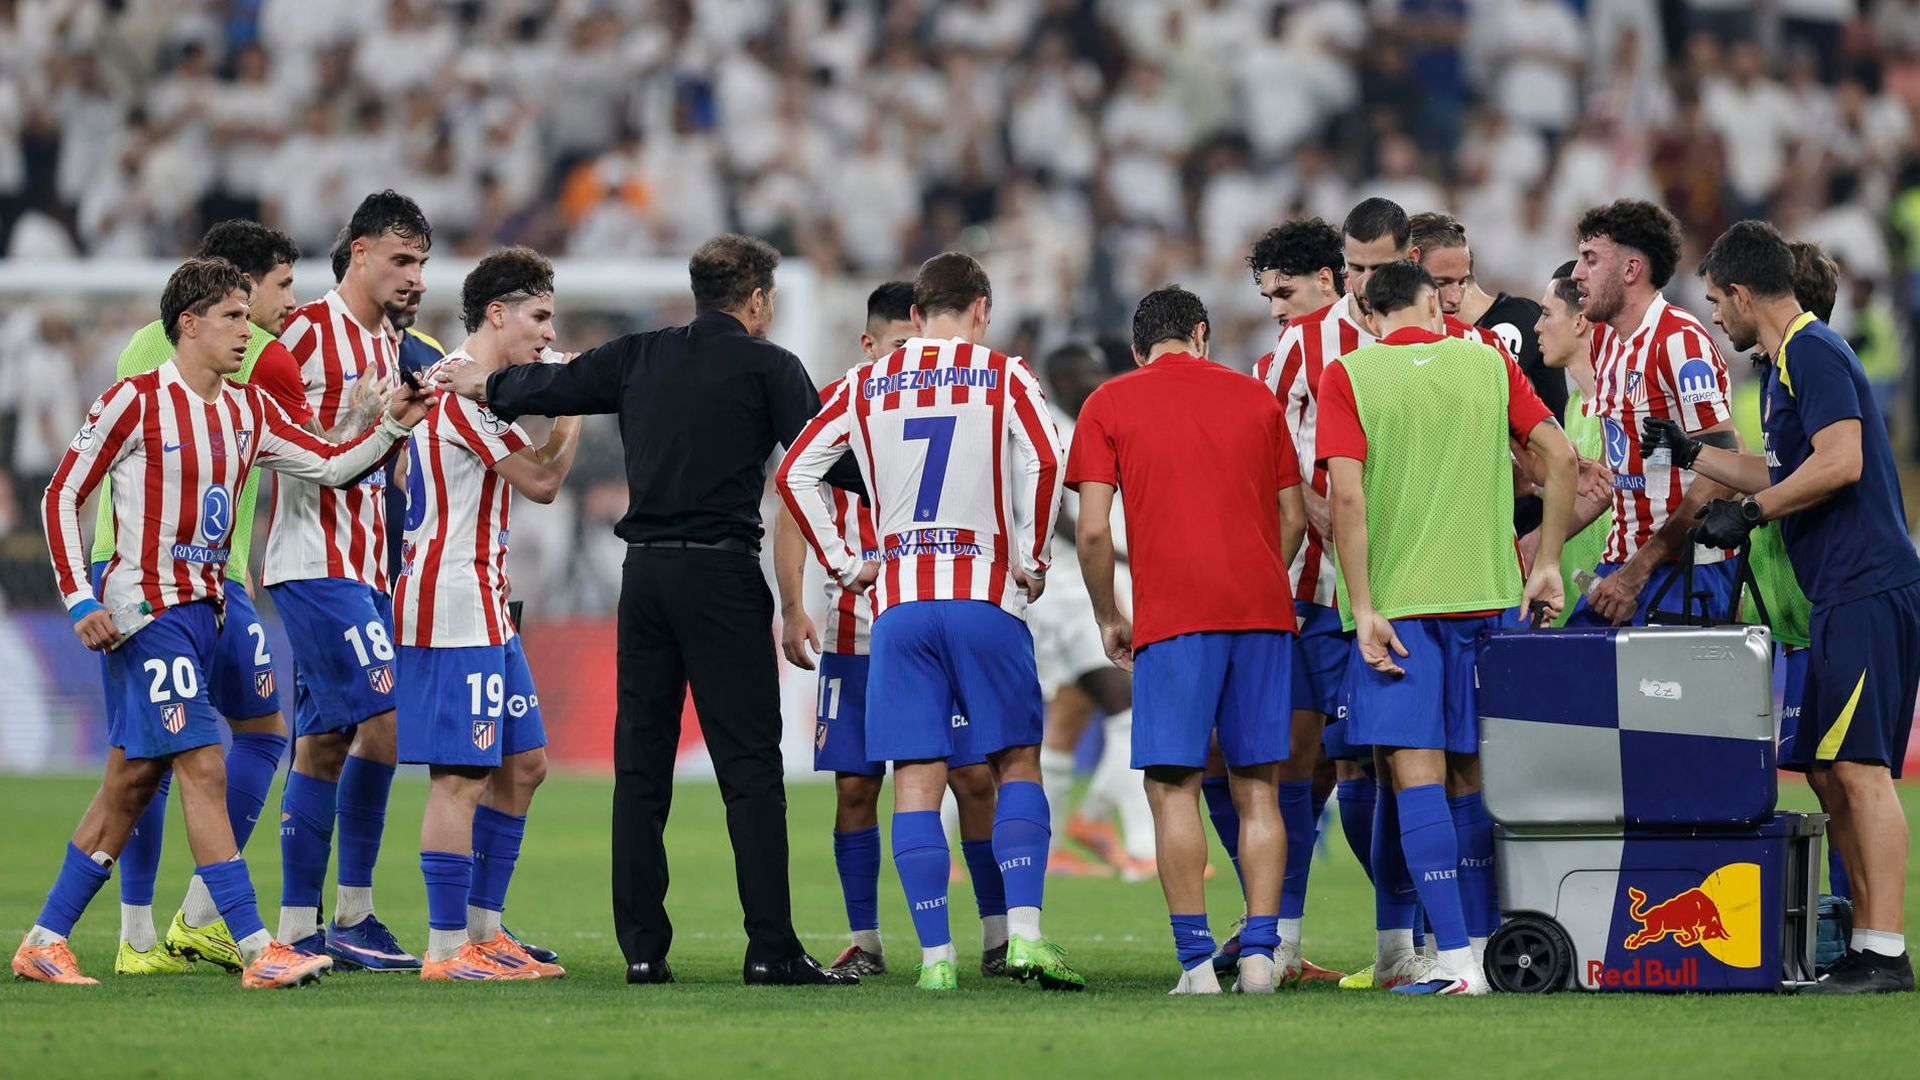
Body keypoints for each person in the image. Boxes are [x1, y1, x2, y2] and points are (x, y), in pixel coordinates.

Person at [436, 233, 856, 987]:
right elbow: (829, 460)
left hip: (647, 581)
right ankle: (771, 948)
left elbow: (547, 388)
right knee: (752, 771)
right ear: (758, 301)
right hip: (724, 580)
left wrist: (483, 385)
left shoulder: (637, 356)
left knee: (642, 769)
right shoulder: (772, 367)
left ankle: (642, 950)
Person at [14, 256, 430, 987]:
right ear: (190, 323)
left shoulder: (246, 411)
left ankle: (44, 939)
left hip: (210, 608)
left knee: (133, 780)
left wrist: (392, 423)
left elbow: (331, 465)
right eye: (233, 318)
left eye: (248, 315)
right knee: (204, 763)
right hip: (147, 611)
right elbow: (60, 494)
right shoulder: (135, 402)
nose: (248, 332)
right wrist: (79, 598)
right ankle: (254, 945)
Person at [776, 252, 1082, 992]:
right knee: (1013, 763)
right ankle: (1025, 938)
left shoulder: (867, 380)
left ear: (915, 316)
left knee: (915, 776)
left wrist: (849, 564)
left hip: (900, 608)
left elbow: (794, 473)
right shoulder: (1005, 374)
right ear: (982, 308)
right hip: (983, 596)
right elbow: (1048, 458)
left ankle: (937, 958)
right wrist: (1033, 555)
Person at [1646, 220, 1920, 994]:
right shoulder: (1787, 365)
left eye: (1714, 303)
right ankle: (1867, 945)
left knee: (1860, 773)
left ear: (1739, 292)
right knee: (1833, 775)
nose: (1714, 319)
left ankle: (1884, 951)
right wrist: (1695, 452)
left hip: (1866, 585)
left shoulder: (1812, 350)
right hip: (1842, 589)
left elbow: (1842, 462)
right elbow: (1781, 464)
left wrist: (1755, 513)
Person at [1248, 199, 1502, 991]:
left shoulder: (1459, 346)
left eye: (1370, 268)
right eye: (1349, 267)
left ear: (1407, 264)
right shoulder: (1299, 348)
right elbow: (1271, 457)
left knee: (1389, 767)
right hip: (1322, 593)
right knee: (1308, 759)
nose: (1357, 283)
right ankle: (1283, 938)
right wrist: (1307, 504)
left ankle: (1403, 941)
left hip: (1414, 591)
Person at [1318, 260, 1575, 996]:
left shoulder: (1351, 374)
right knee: (1471, 775)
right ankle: (1490, 948)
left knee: (1413, 773)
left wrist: (1362, 607)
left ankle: (1459, 964)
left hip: (1400, 609)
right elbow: (1559, 456)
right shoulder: (1489, 362)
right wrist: (1547, 561)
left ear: (1370, 315)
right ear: (1435, 303)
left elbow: (1346, 500)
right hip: (1488, 602)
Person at [1068, 285, 1307, 995]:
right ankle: (1262, 956)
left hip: (1174, 617)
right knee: (1258, 786)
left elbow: (1089, 532)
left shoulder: (1110, 403)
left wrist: (1109, 613)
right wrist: (1263, 572)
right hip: (1262, 614)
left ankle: (1198, 964)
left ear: (1140, 348)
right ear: (1201, 334)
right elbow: (1293, 515)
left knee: (1172, 786)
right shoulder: (1256, 398)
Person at [88, 220, 309, 976]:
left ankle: (139, 932)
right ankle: (199, 924)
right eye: (275, 287)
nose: (281, 307)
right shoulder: (260, 359)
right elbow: (307, 455)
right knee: (232, 739)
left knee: (148, 753)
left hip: (137, 568)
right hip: (176, 580)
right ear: (227, 295)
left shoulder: (138, 348)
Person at [393, 248, 582, 982]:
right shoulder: (461, 395)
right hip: (450, 601)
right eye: (538, 317)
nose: (546, 332)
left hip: (485, 600)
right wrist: (572, 412)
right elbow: (538, 481)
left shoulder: (470, 391)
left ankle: (485, 930)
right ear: (496, 314)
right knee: (461, 777)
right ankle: (446, 950)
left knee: (524, 763)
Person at [266, 190, 430, 970]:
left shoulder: (388, 344)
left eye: (422, 263)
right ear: (358, 252)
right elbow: (254, 433)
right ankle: (354, 914)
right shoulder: (300, 334)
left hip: (366, 564)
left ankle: (301, 926)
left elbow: (379, 454)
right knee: (389, 718)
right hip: (311, 559)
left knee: (326, 741)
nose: (415, 277)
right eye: (401, 260)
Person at [1567, 198, 1740, 627]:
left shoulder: (1680, 342)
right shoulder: (1604, 340)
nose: (1576, 274)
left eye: (1590, 259)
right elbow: (1626, 466)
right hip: (1623, 564)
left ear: (1630, 270)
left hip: (1686, 570)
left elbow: (1726, 472)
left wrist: (1639, 570)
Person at [1028, 341, 1154, 881]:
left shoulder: (1092, 421)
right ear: (1059, 381)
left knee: (1066, 719)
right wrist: (1121, 555)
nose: (1094, 380)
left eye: (1098, 372)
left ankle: (1057, 840)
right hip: (1064, 593)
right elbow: (1056, 511)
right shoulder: (1051, 431)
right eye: (1083, 374)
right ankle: (1137, 843)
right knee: (1127, 706)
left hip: (1087, 587)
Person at [1409, 211, 1562, 534]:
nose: (1452, 296)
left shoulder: (1511, 324)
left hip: (1531, 517)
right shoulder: (1420, 341)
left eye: (1454, 282)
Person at [1521, 262, 1613, 626]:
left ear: (1579, 322)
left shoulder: (1618, 402)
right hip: (1575, 600)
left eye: (1546, 314)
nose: (1537, 327)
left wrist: (1539, 545)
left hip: (1609, 603)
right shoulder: (1574, 406)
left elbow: (1609, 490)